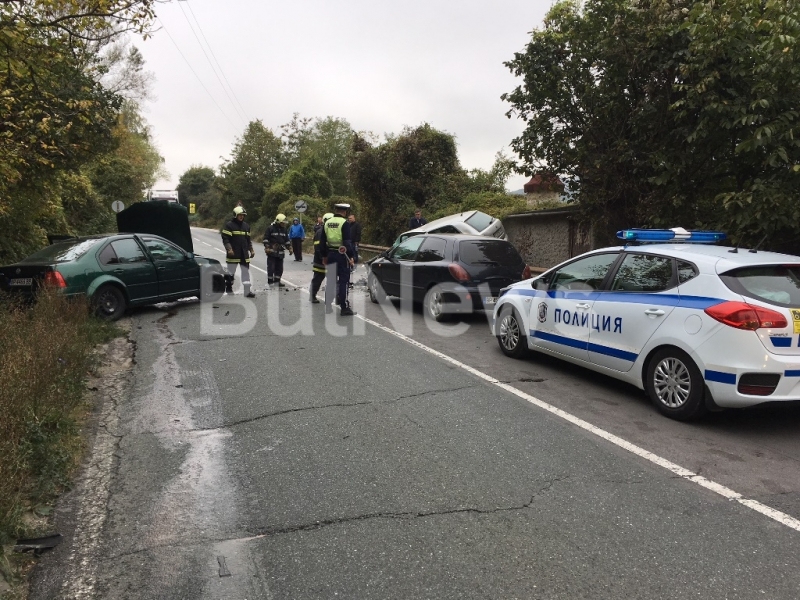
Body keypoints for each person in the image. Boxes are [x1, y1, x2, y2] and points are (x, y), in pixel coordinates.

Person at [321, 202, 356, 316]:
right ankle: (344, 307)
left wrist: (324, 256)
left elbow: (322, 242)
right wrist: (351, 256)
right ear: (345, 212)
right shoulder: (344, 223)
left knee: (331, 280)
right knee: (343, 281)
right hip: (342, 255)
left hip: (330, 254)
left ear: (336, 211)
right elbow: (347, 242)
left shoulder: (327, 223)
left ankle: (327, 306)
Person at [221, 206, 255, 297]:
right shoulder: (229, 225)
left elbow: (248, 240)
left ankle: (247, 291)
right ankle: (228, 288)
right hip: (233, 254)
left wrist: (251, 250)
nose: (242, 217)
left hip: (244, 254)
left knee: (245, 272)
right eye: (240, 215)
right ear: (235, 215)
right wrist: (229, 249)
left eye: (243, 215)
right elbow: (225, 239)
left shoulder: (246, 226)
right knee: (230, 273)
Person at [309, 212, 334, 304]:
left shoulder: (330, 231)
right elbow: (318, 247)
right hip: (321, 260)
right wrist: (323, 258)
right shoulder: (320, 232)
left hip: (329, 259)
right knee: (318, 278)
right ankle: (312, 295)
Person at [263, 213, 291, 287]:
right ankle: (270, 282)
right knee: (271, 268)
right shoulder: (270, 228)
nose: (284, 224)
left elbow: (287, 240)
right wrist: (267, 247)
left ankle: (277, 281)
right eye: (282, 223)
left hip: (280, 253)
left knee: (279, 268)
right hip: (272, 253)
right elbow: (266, 239)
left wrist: (290, 247)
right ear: (278, 222)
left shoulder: (284, 230)